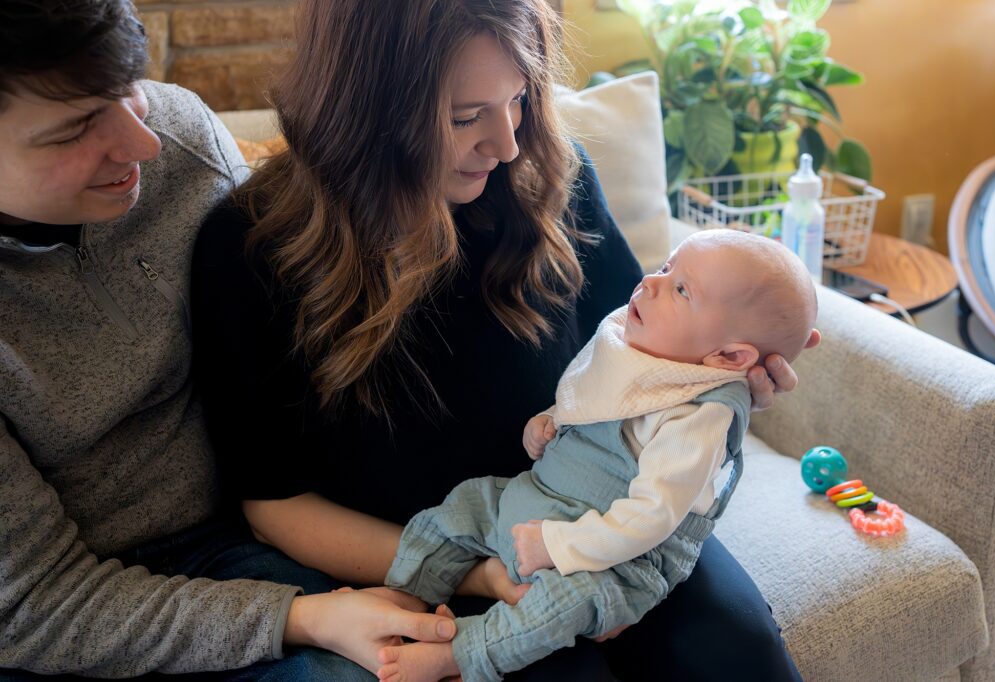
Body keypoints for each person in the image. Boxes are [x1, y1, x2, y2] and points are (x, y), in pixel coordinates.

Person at [192, 1, 819, 680]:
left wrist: (725, 385)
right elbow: (274, 505)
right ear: (367, 115)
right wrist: (485, 572)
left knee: (738, 654)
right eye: (465, 117)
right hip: (444, 551)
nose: (507, 143)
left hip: (605, 516)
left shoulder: (553, 179)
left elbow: (652, 356)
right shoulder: (249, 251)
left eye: (517, 99)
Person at [0, 1, 461, 678]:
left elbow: (292, 357)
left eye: (129, 91)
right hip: (65, 608)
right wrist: (300, 617)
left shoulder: (183, 141)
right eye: (75, 130)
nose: (142, 145)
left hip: (246, 536)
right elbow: (30, 606)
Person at [379, 229, 818, 682]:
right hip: (538, 499)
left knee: (561, 606)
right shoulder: (639, 341)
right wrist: (551, 419)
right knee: (458, 509)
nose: (650, 282)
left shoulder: (699, 415)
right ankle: (404, 603)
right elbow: (597, 396)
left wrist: (557, 544)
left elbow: (650, 518)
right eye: (666, 267)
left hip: (617, 554)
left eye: (681, 289)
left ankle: (462, 653)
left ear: (728, 355)